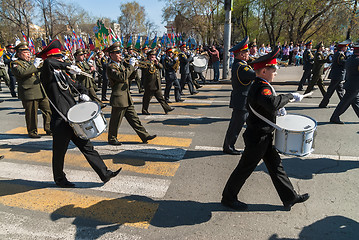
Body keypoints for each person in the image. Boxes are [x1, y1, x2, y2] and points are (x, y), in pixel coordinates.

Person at [221, 47, 309, 211]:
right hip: (258, 137)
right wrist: (290, 97)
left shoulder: (261, 84)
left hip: (263, 135)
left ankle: (289, 197)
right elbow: (272, 103)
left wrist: (279, 107)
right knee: (244, 169)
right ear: (263, 71)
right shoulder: (262, 87)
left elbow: (269, 105)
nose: (275, 72)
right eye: (273, 69)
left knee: (276, 167)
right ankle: (228, 197)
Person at [37, 40, 121, 188]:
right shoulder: (47, 74)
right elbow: (49, 63)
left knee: (87, 147)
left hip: (73, 118)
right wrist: (67, 65)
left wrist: (84, 93)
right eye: (59, 58)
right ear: (52, 58)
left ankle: (104, 173)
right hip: (60, 120)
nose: (62, 59)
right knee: (59, 153)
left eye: (62, 57)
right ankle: (60, 179)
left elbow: (76, 86)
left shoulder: (62, 75)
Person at [106, 42, 156, 146]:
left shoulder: (121, 65)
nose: (120, 55)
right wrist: (131, 66)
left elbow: (128, 78)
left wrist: (134, 70)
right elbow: (121, 77)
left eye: (120, 52)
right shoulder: (110, 66)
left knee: (135, 119)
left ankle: (144, 135)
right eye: (117, 53)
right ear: (111, 55)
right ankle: (112, 138)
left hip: (126, 97)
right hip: (119, 98)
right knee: (116, 121)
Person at [10, 42, 52, 138]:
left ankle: (49, 128)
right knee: (31, 113)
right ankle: (32, 131)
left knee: (48, 110)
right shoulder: (15, 64)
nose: (28, 54)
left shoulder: (30, 63)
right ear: (19, 54)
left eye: (28, 52)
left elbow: (39, 71)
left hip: (40, 90)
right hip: (29, 92)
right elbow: (23, 73)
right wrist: (35, 66)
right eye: (25, 52)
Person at [223, 36, 256, 155]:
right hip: (241, 101)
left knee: (247, 125)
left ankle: (232, 146)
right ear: (241, 54)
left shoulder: (240, 64)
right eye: (246, 52)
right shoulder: (241, 67)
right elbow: (255, 75)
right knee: (235, 127)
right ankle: (228, 147)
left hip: (243, 100)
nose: (248, 54)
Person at [330, 41, 359, 124]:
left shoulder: (350, 58)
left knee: (356, 102)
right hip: (354, 85)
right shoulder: (357, 60)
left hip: (351, 84)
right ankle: (334, 117)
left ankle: (334, 117)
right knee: (344, 103)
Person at [141, 49, 174, 115]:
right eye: (152, 57)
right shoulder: (145, 63)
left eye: (154, 56)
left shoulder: (156, 62)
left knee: (161, 98)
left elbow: (161, 67)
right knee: (147, 99)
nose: (154, 58)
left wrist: (157, 63)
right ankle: (144, 110)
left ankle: (167, 108)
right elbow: (145, 72)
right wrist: (150, 65)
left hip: (156, 83)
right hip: (149, 84)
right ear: (149, 56)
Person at [319, 40, 350, 108]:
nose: (346, 48)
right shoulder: (340, 54)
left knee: (340, 90)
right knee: (330, 90)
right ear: (343, 48)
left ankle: (344, 103)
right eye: (346, 47)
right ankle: (323, 104)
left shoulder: (339, 53)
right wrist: (349, 61)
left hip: (337, 75)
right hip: (338, 75)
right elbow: (341, 62)